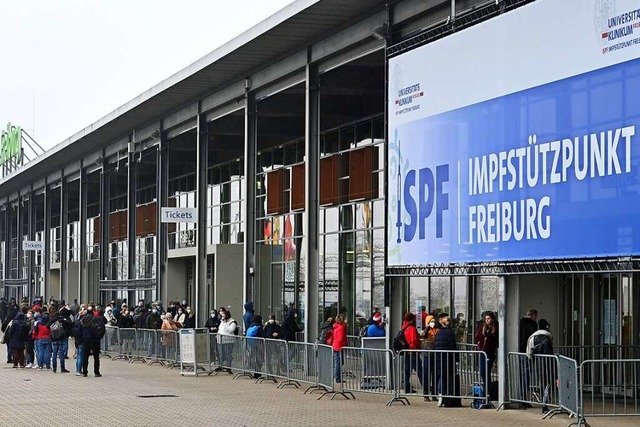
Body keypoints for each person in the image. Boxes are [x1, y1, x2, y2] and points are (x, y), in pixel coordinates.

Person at [527, 318, 555, 414]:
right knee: (546, 385)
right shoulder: (546, 339)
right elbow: (549, 353)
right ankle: (545, 405)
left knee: (542, 383)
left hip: (538, 364)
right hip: (546, 364)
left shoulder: (532, 338)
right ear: (547, 327)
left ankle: (543, 401)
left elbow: (529, 352)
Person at [435, 315, 460, 407]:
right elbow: (452, 346)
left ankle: (441, 394)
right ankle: (446, 396)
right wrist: (456, 358)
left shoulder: (438, 332)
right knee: (447, 378)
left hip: (439, 358)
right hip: (448, 358)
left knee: (442, 376)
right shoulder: (450, 333)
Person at [518, 308, 538, 406]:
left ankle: (520, 396)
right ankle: (523, 398)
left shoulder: (520, 322)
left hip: (519, 351)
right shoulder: (533, 324)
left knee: (521, 374)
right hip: (527, 351)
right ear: (534, 315)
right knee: (526, 375)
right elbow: (533, 338)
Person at [400, 312, 423, 394]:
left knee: (407, 371)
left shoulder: (404, 327)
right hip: (413, 352)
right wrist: (415, 349)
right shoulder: (412, 328)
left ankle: (406, 386)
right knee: (420, 370)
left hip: (406, 352)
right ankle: (426, 386)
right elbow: (413, 341)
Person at [475, 311, 498, 390]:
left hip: (490, 351)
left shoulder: (495, 327)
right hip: (482, 351)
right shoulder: (483, 327)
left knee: (487, 370)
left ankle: (488, 387)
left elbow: (495, 340)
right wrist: (479, 342)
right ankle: (486, 386)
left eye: (489, 318)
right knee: (482, 371)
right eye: (486, 319)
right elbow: (477, 336)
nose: (487, 320)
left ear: (492, 319)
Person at [80, 305, 103, 377]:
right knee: (96, 357)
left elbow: (80, 330)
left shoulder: (83, 320)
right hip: (95, 339)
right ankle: (96, 372)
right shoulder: (96, 319)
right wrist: (100, 336)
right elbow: (102, 328)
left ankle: (84, 372)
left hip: (86, 340)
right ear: (93, 311)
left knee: (85, 356)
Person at [48, 308, 71, 373]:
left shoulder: (53, 319)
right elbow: (70, 324)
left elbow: (47, 325)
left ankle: (54, 368)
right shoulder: (63, 320)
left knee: (54, 353)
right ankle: (62, 368)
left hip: (54, 338)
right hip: (61, 338)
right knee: (61, 353)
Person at [421, 314, 439, 398]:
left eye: (434, 321)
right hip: (427, 355)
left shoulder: (437, 330)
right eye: (431, 321)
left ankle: (434, 393)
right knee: (426, 374)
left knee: (435, 374)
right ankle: (426, 393)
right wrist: (427, 327)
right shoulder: (425, 331)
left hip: (435, 354)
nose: (433, 323)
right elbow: (423, 334)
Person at [217, 307, 238, 373]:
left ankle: (229, 367)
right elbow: (220, 329)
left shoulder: (232, 322)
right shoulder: (222, 321)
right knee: (220, 354)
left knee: (228, 354)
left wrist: (225, 323)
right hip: (220, 340)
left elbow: (230, 330)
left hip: (228, 341)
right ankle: (221, 366)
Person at [328, 313, 347, 383]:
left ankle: (336, 376)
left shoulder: (335, 326)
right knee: (339, 362)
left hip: (335, 344)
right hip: (339, 346)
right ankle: (337, 377)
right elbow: (341, 338)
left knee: (337, 361)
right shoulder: (341, 327)